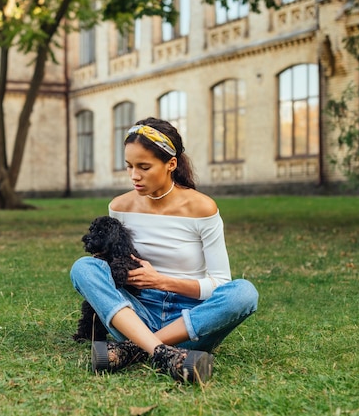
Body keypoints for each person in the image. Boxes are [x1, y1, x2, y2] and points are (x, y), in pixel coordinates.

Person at [70, 117, 258, 383]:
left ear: (171, 164)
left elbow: (220, 283)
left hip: (191, 323)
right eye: (129, 166)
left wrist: (161, 280)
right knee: (84, 268)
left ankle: (137, 349)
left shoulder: (202, 209)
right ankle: (164, 354)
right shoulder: (120, 207)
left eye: (144, 167)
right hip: (136, 315)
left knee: (244, 293)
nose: (134, 175)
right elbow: (109, 269)